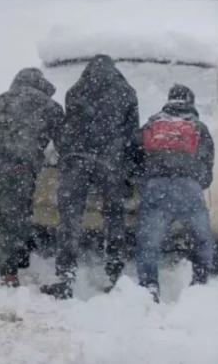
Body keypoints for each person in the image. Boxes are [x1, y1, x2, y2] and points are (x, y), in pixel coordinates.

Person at [41, 55, 140, 300]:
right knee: (114, 218)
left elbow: (67, 129)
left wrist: (70, 155)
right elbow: (132, 137)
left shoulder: (75, 91)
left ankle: (65, 277)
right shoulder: (127, 92)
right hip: (109, 163)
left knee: (69, 220)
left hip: (76, 162)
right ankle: (115, 272)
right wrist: (128, 170)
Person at [0, 68, 64, 289]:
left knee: (1, 221)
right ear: (40, 85)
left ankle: (9, 276)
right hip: (16, 170)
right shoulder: (46, 105)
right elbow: (64, 142)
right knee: (20, 227)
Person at [135, 84, 215, 303]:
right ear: (190, 102)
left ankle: (149, 286)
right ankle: (200, 282)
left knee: (149, 242)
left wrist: (146, 182)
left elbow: (135, 156)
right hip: (189, 188)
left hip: (156, 187)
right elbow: (208, 167)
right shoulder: (198, 127)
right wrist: (196, 182)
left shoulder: (152, 123)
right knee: (202, 238)